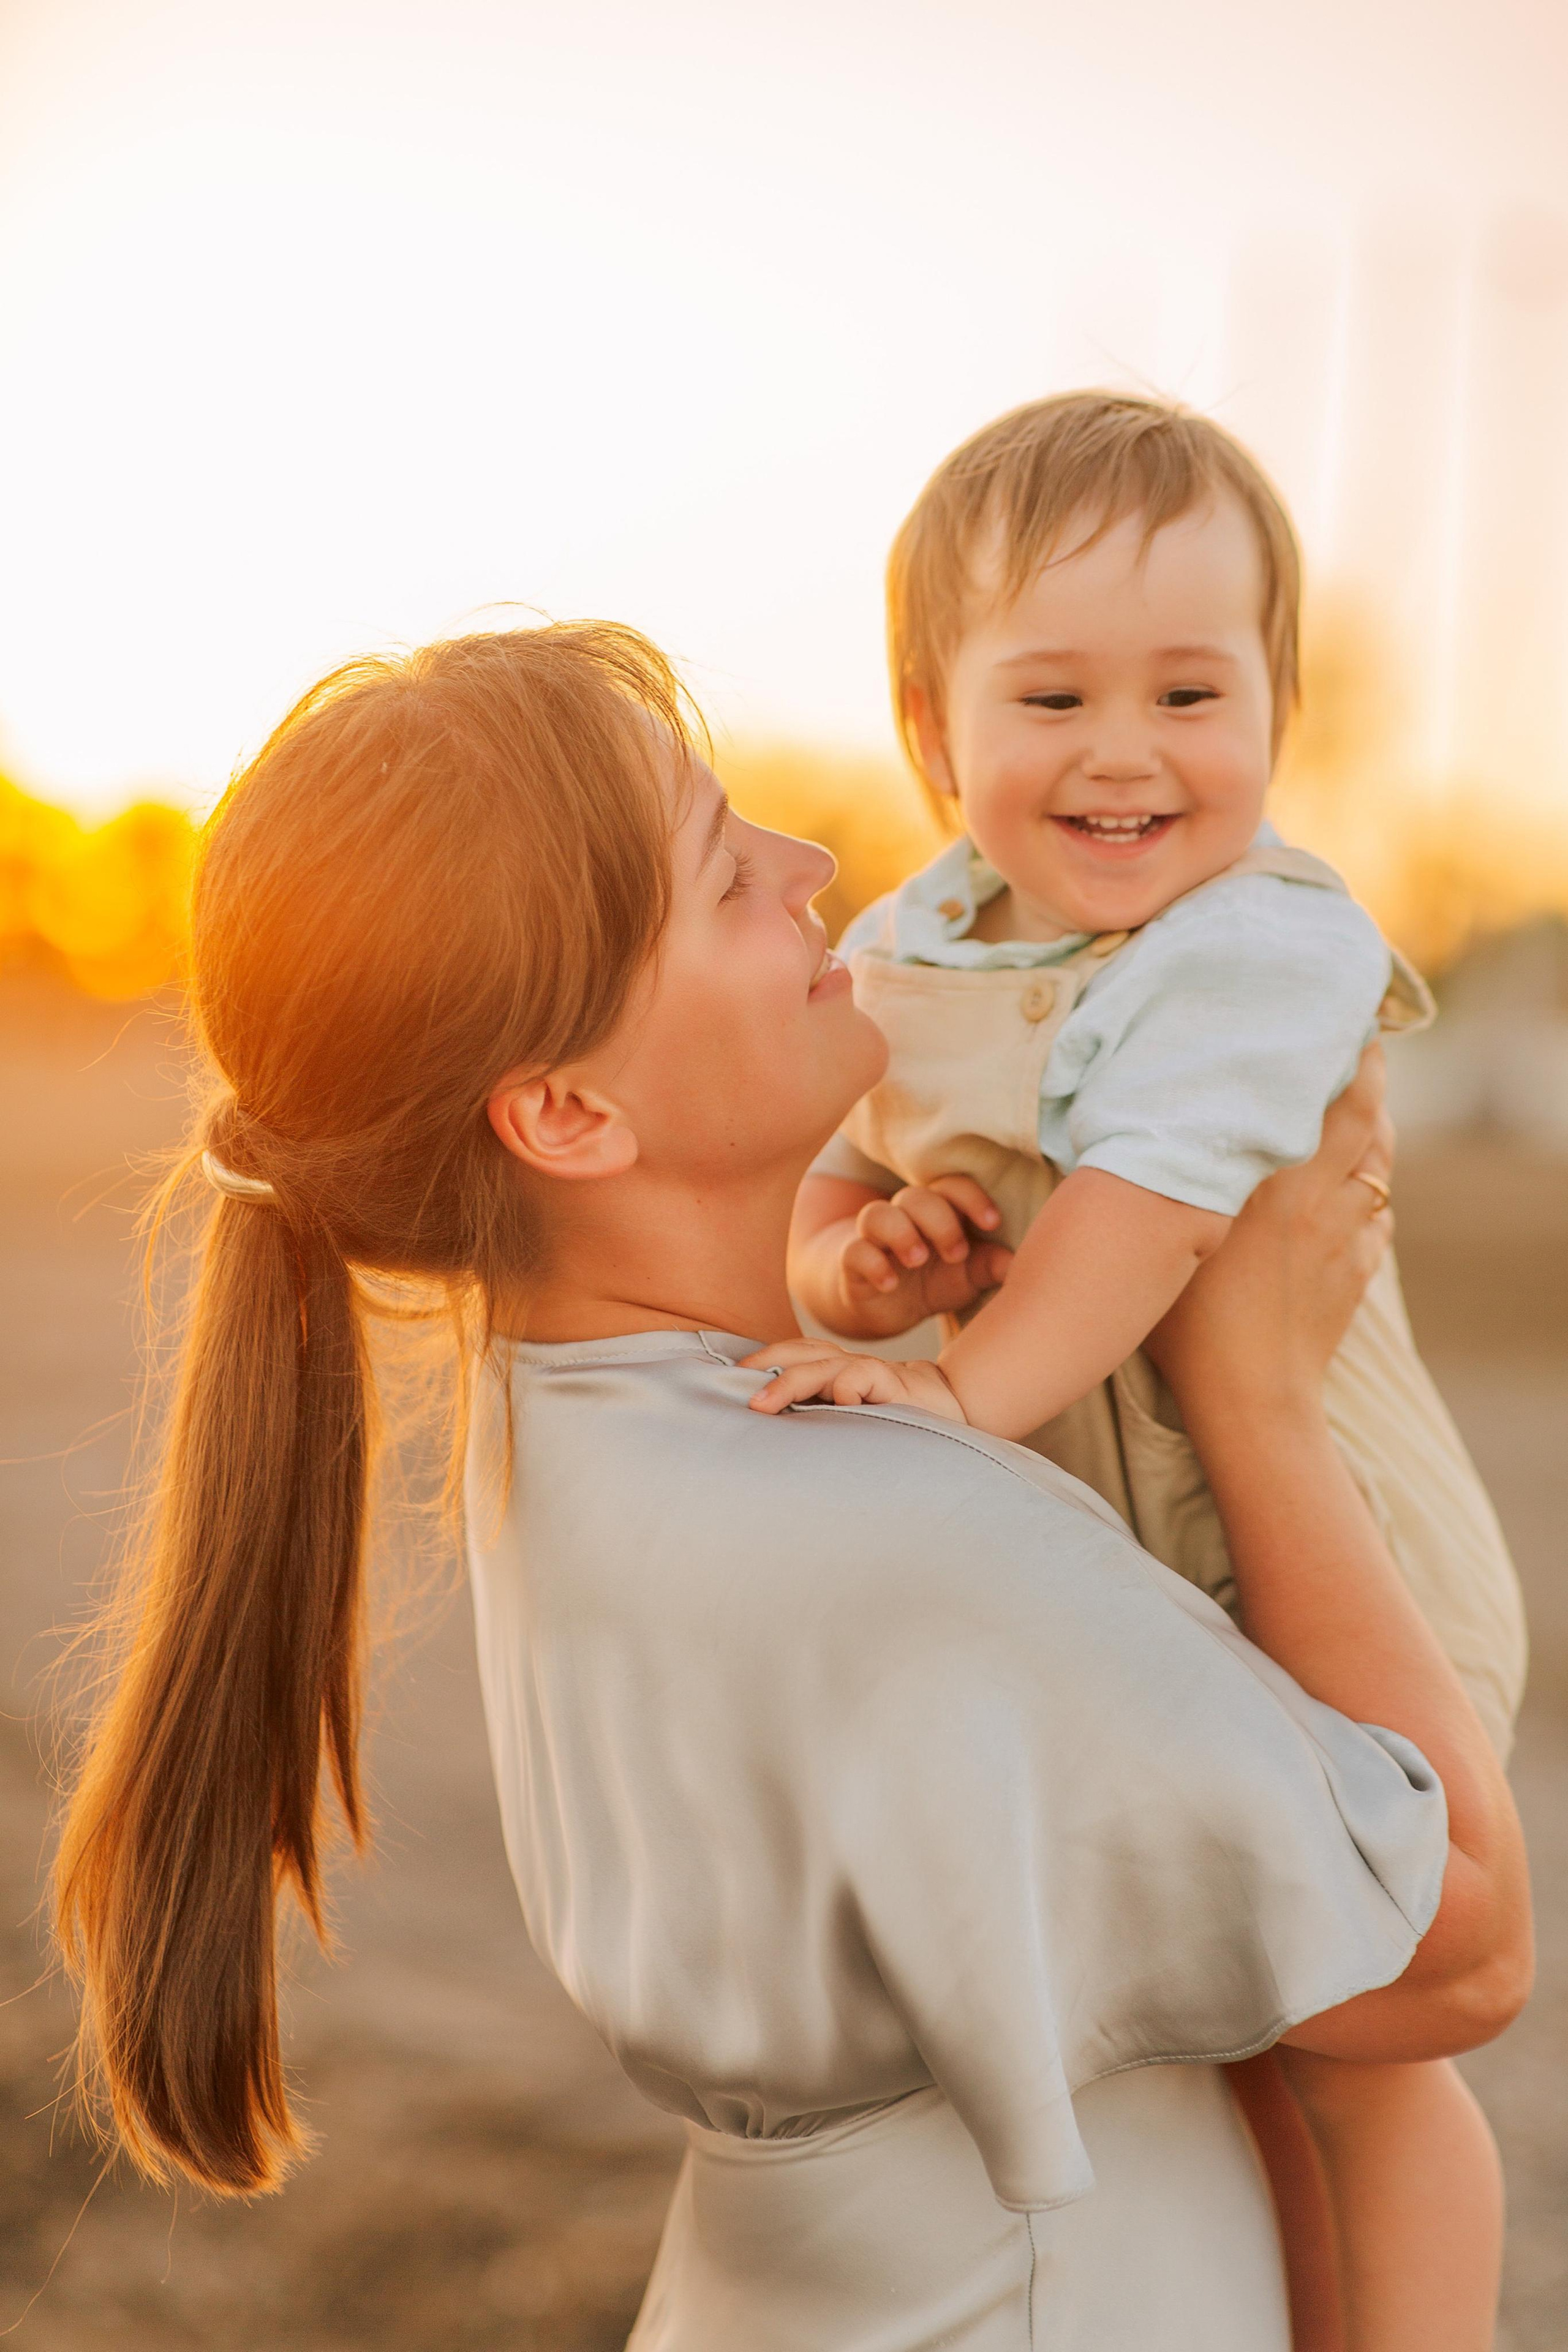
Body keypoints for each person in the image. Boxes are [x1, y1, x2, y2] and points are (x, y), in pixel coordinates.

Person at [51, 625, 1529, 2351]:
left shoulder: (567, 1426)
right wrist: (1256, 1392)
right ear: (566, 1115)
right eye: (719, 873)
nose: (813, 865)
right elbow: (1462, 1954)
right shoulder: (895, 1532)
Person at [775, 394, 1529, 2345]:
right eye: (1054, 702)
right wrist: (865, 1271)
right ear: (937, 733)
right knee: (1267, 2043)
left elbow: (1155, 1200)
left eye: (1194, 695)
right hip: (1153, 1573)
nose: (1129, 754)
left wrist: (960, 1389)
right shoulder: (914, 947)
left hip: (1344, 1569)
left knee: (1375, 2057)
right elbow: (835, 1181)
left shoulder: (1262, 941)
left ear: (1281, 719)